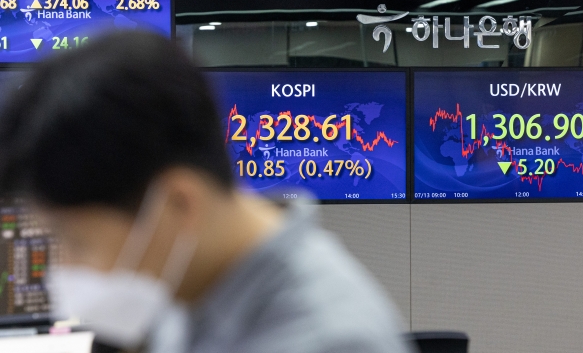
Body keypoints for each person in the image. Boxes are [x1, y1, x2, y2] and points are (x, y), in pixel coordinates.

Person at [0, 31, 414, 353]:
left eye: (76, 241)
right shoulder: (189, 281)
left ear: (178, 204)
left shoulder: (324, 340)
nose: (65, 268)